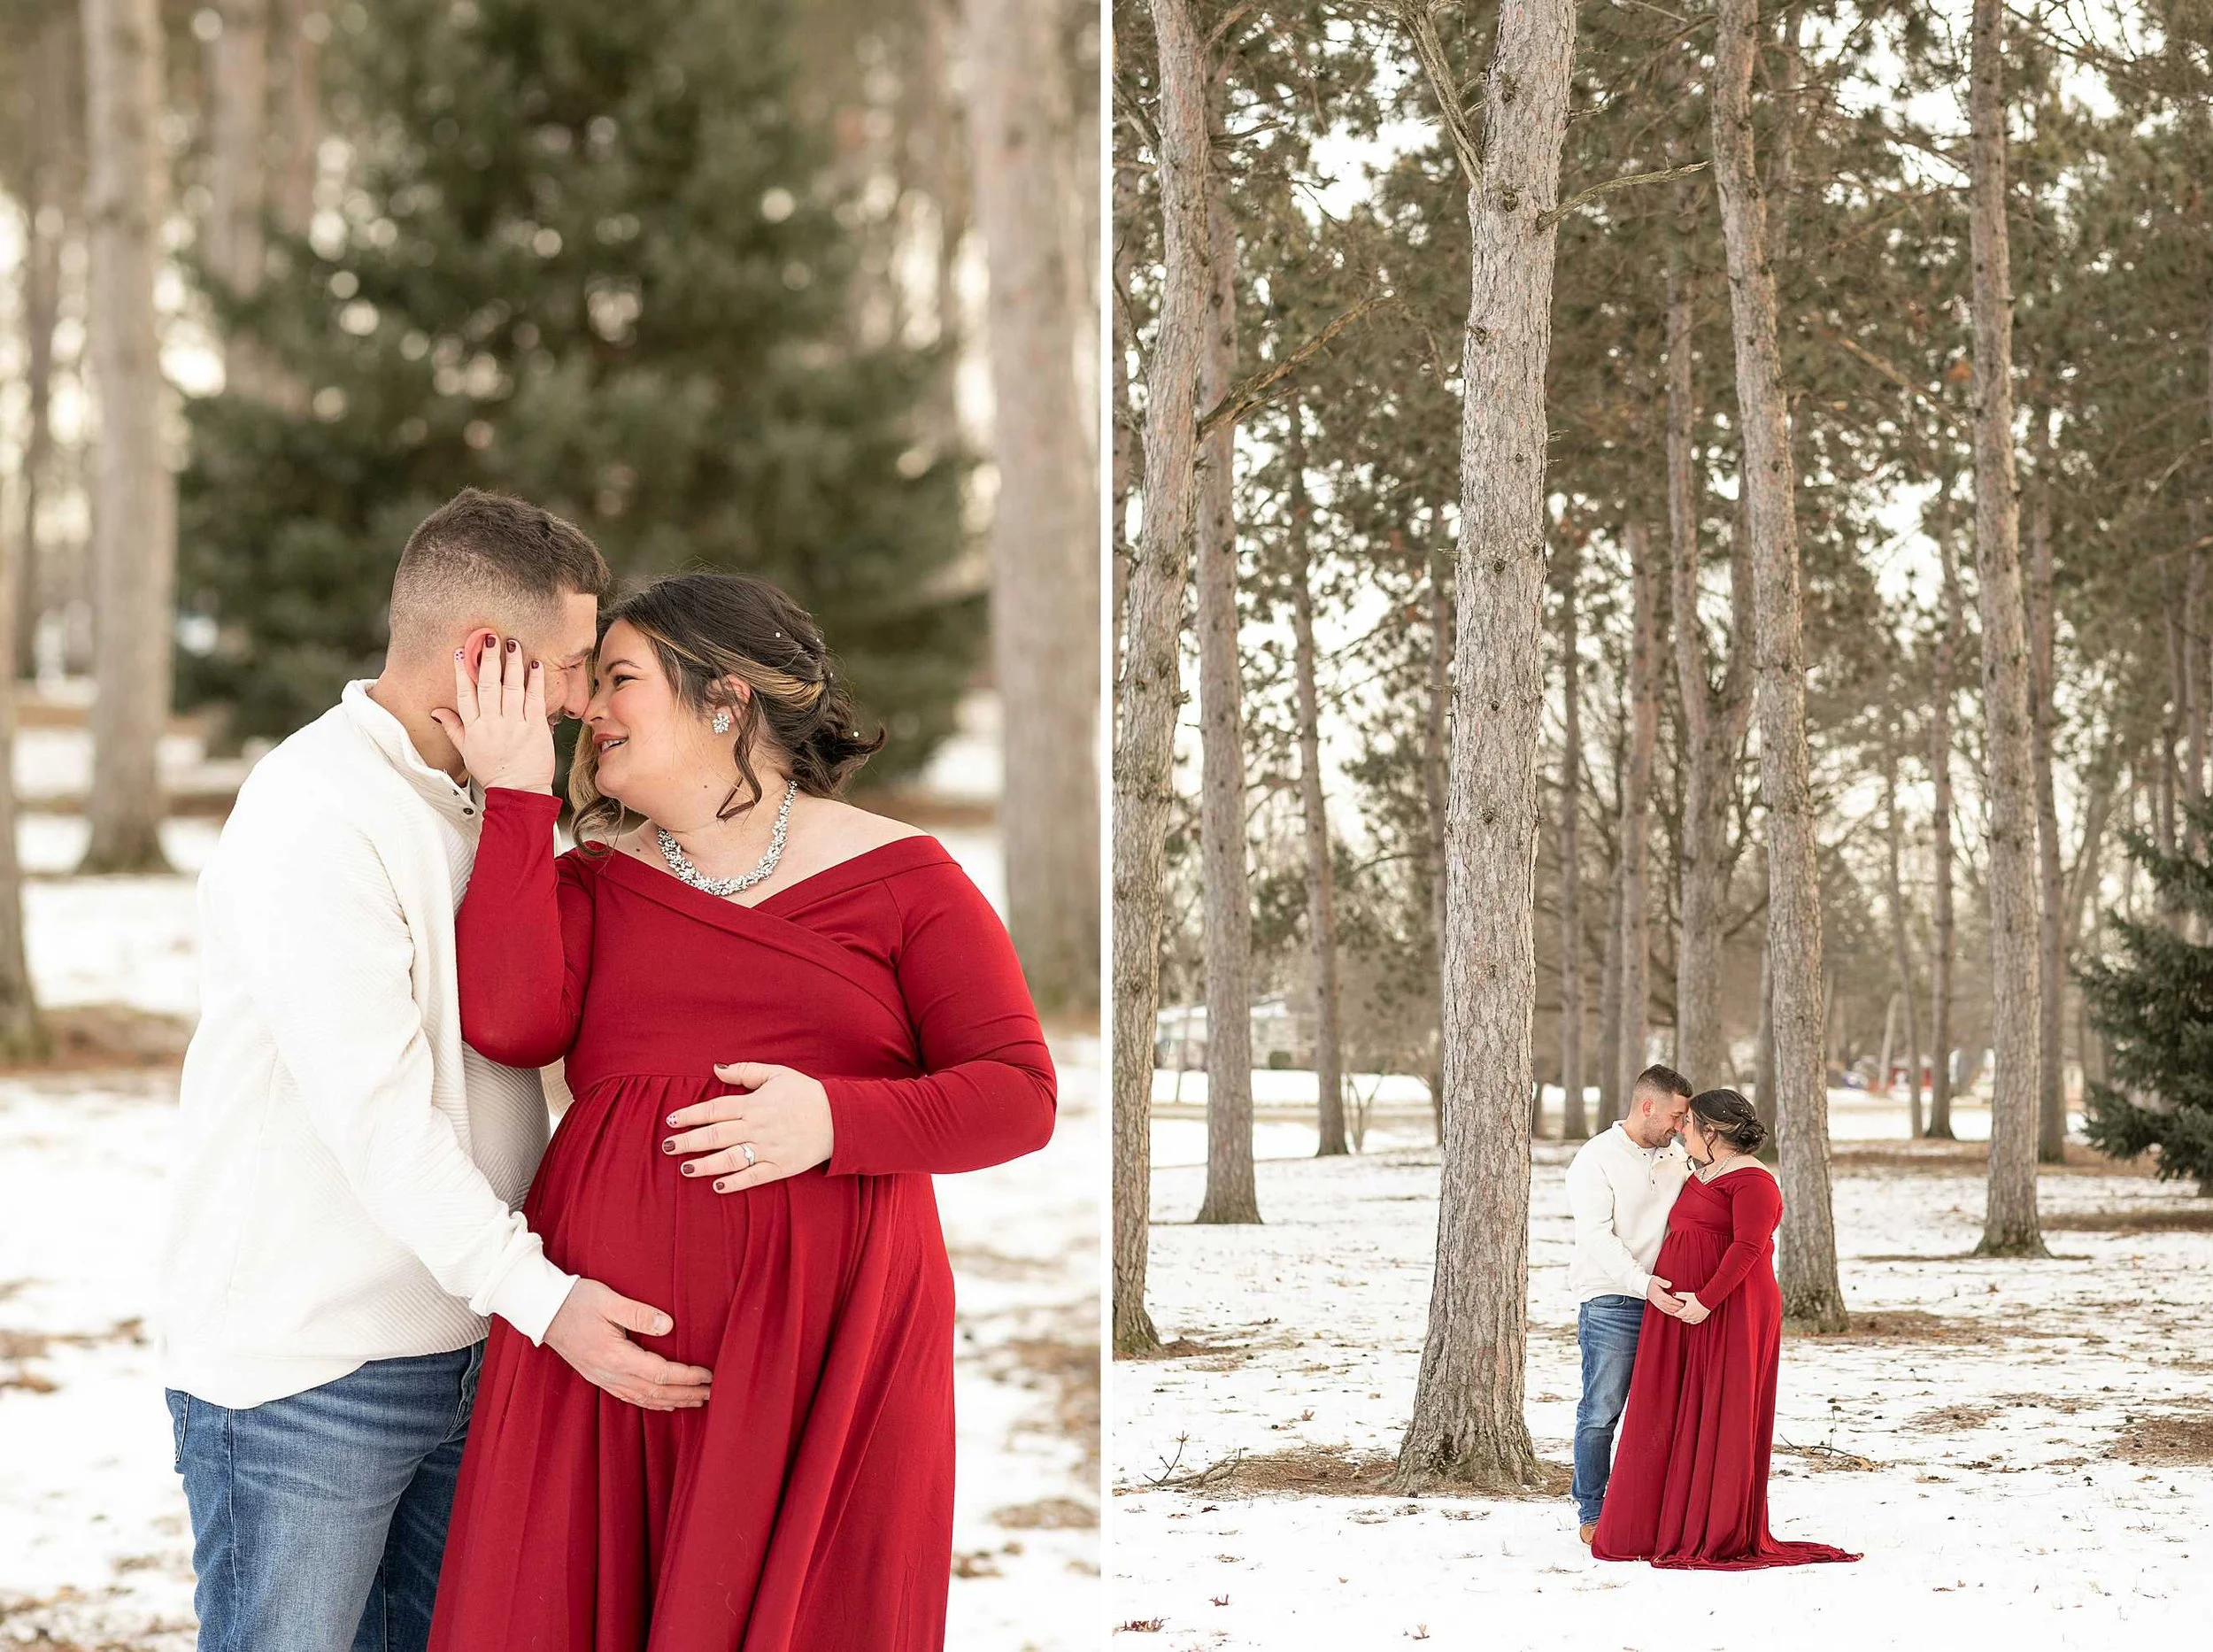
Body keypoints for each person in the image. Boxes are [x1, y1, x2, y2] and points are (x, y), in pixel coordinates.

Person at [158, 490, 749, 1652]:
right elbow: (384, 1124)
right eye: (576, 665)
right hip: (308, 1375)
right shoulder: (317, 812)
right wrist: (550, 1302)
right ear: (487, 657)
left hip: (471, 1348)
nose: (588, 699)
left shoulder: (488, 799)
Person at [425, 572, 1058, 1650]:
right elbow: (510, 1024)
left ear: (726, 700)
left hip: (830, 1354)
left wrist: (834, 1123)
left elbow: (1018, 1095)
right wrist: (521, 800)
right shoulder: (591, 882)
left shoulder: (904, 878)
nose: (589, 709)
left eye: (619, 679)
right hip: (606, 1357)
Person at [1592, 1088, 1861, 1570]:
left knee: (1719, 1409)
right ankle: (1655, 1523)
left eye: (1689, 1124)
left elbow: (1747, 1249)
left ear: (1712, 1133)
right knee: (1672, 1409)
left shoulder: (1754, 1182)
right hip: (1684, 1312)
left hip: (1731, 1311)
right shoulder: (1700, 1172)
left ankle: (1710, 1527)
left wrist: (1707, 1302)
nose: (1681, 1130)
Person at [1565, 1063, 1696, 1545]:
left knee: (1663, 1410)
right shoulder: (1595, 1159)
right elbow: (1597, 1237)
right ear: (1648, 1106)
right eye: (1677, 1116)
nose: (1681, 1126)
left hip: (1668, 1301)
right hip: (1613, 1301)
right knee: (1602, 1410)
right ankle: (1593, 1510)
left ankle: (1650, 1505)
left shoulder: (1675, 1157)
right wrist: (1643, 1285)